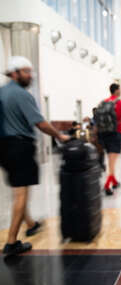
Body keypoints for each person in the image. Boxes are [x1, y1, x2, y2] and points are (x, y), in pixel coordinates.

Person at [0, 56, 70, 257]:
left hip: (3, 147)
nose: (30, 75)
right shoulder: (22, 95)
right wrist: (59, 135)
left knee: (17, 189)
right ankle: (12, 242)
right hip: (19, 146)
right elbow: (40, 123)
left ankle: (30, 224)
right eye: (26, 71)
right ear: (14, 73)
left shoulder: (2, 92)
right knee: (21, 194)